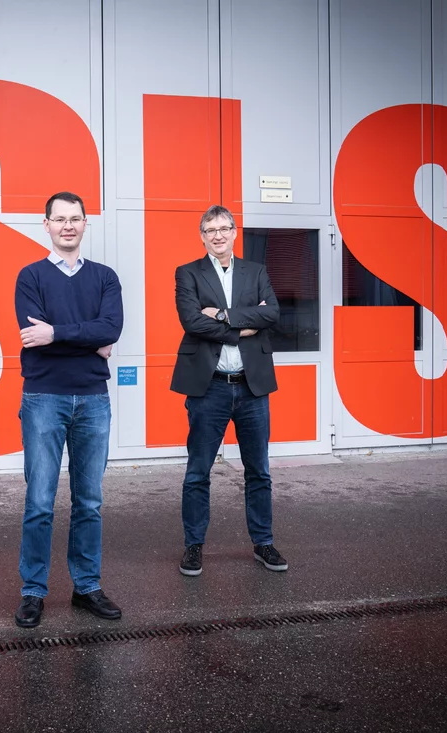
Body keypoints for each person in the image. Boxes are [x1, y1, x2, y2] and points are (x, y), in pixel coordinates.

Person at [12, 191, 124, 629]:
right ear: (46, 224)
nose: (67, 226)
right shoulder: (31, 276)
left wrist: (56, 333)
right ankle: (33, 591)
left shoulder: (105, 277)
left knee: (90, 501)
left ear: (84, 223)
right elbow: (31, 336)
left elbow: (111, 328)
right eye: (59, 219)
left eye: (75, 218)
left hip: (93, 400)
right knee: (39, 501)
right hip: (44, 398)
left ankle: (87, 587)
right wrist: (88, 341)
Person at [170, 204, 287, 577]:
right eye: (210, 230)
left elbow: (272, 315)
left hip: (252, 388)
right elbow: (191, 321)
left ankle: (263, 543)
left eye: (224, 228)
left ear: (235, 232)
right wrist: (242, 327)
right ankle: (194, 546)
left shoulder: (256, 272)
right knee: (198, 471)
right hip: (210, 388)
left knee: (259, 471)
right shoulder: (188, 273)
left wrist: (221, 316)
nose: (217, 235)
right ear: (201, 236)